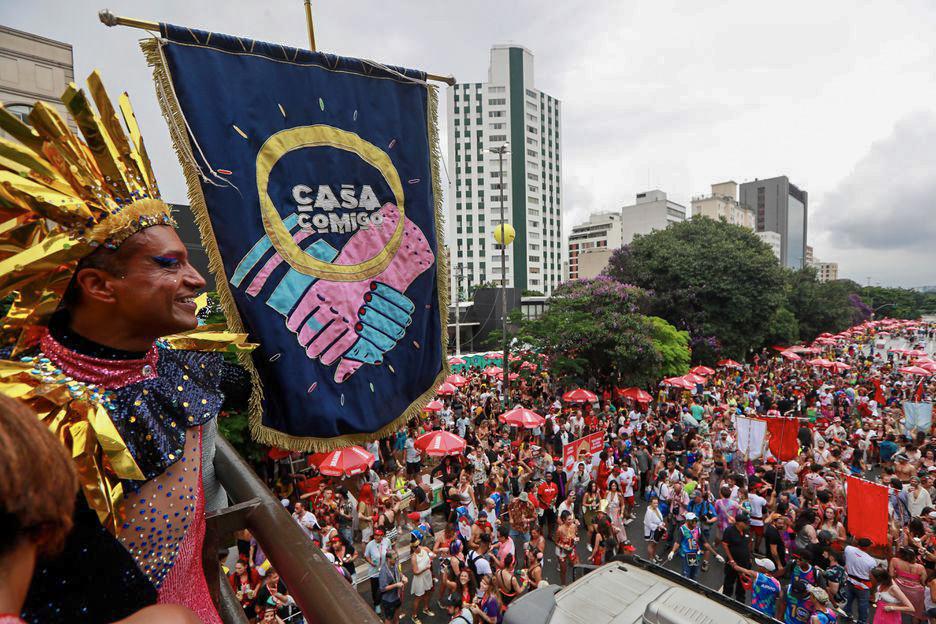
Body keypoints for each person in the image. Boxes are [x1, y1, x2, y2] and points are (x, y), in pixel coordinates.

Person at [667, 512, 723, 582]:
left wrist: (716, 555)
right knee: (686, 574)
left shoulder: (698, 529)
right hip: (686, 555)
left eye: (696, 520)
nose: (695, 522)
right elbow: (678, 542)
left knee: (694, 574)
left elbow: (706, 544)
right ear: (687, 521)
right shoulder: (682, 529)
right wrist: (672, 551)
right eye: (692, 520)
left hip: (695, 555)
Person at [845, 538, 878, 624]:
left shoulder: (848, 549)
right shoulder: (871, 561)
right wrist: (873, 591)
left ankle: (847, 615)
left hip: (849, 581)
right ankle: (862, 621)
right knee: (863, 605)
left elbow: (852, 544)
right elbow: (872, 577)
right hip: (863, 586)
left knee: (848, 600)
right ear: (868, 547)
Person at [889, 546, 926, 622]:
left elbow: (891, 575)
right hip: (916, 592)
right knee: (916, 612)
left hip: (899, 588)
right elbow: (923, 582)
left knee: (895, 608)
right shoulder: (921, 567)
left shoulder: (895, 560)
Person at [410, 536, 435, 624]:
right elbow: (416, 572)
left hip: (427, 576)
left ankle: (426, 608)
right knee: (418, 597)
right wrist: (426, 568)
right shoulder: (413, 557)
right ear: (412, 548)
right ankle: (414, 615)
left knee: (428, 592)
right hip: (419, 579)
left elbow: (433, 554)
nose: (418, 547)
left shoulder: (425, 549)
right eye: (415, 547)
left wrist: (432, 557)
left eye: (418, 545)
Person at [364, 529, 390, 614]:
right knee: (375, 589)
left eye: (379, 535)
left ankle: (383, 600)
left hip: (384, 569)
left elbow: (389, 552)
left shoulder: (387, 541)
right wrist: (371, 562)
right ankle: (377, 604)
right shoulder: (370, 544)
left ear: (382, 535)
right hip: (374, 571)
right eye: (376, 535)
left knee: (384, 586)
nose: (377, 537)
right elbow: (366, 556)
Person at [378, 548, 406, 624]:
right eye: (394, 558)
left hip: (397, 596)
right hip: (388, 600)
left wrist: (403, 576)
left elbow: (398, 572)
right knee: (389, 618)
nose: (396, 560)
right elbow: (382, 588)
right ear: (388, 559)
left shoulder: (395, 564)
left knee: (396, 613)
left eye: (397, 558)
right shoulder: (384, 571)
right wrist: (396, 584)